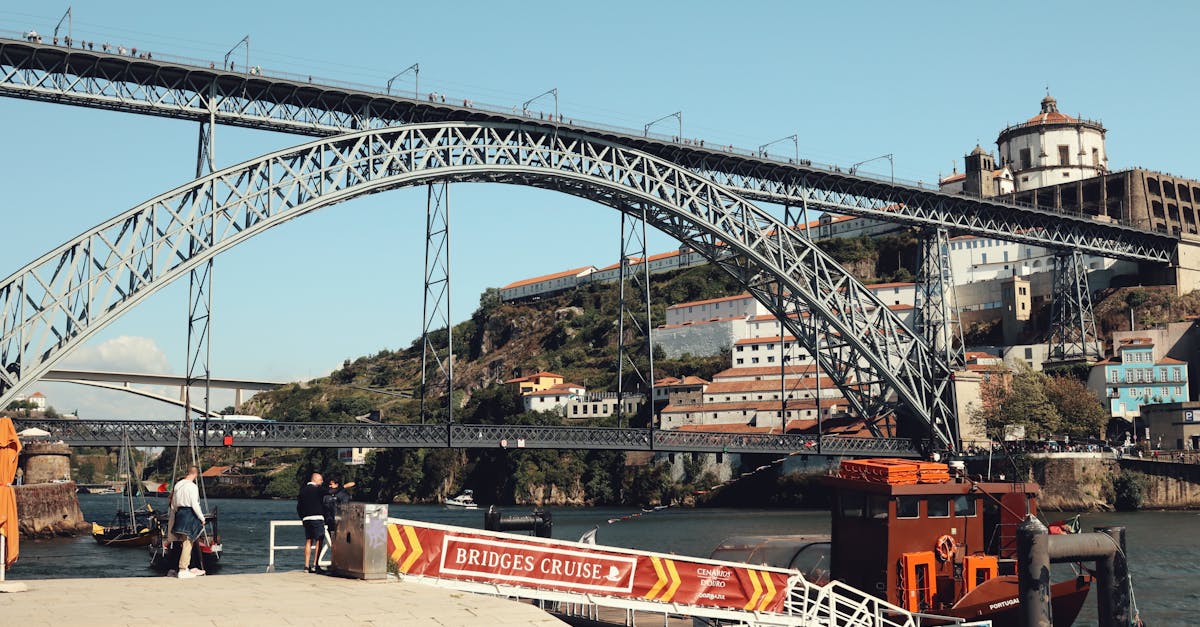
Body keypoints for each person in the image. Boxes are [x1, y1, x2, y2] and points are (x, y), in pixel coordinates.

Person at [169, 466, 206, 579]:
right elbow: (194, 504)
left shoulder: (178, 485)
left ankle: (180, 568)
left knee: (181, 541)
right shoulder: (193, 486)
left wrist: (176, 512)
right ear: (195, 474)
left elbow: (173, 503)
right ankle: (183, 569)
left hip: (179, 513)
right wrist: (202, 518)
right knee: (188, 542)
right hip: (189, 513)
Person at [297, 472, 325, 573]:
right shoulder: (318, 490)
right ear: (315, 480)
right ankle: (315, 565)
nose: (322, 482)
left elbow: (299, 507)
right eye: (320, 480)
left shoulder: (303, 491)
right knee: (319, 540)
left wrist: (302, 517)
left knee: (308, 541)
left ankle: (306, 566)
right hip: (317, 517)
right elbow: (329, 492)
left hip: (306, 519)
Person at [322, 478, 353, 561]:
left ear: (336, 485)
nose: (329, 486)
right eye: (329, 484)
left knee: (341, 542)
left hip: (341, 523)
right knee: (332, 542)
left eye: (331, 484)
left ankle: (341, 559)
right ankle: (335, 560)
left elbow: (345, 508)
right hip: (329, 522)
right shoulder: (326, 496)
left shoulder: (343, 495)